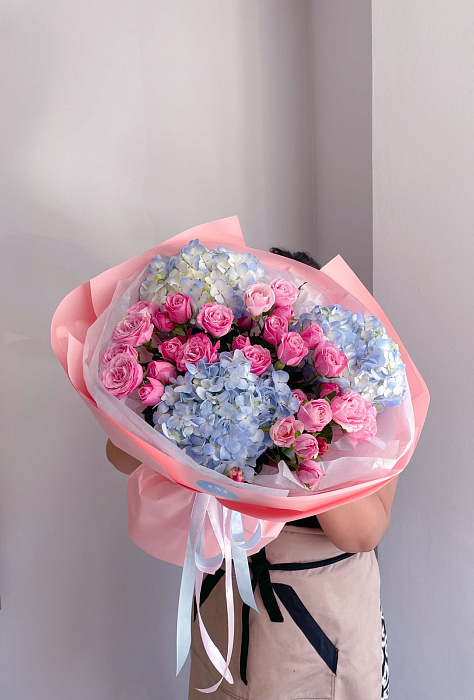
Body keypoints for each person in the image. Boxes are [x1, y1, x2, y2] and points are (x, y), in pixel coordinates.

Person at [106, 247, 395, 700]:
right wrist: (174, 406)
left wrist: (304, 433)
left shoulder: (365, 406)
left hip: (320, 613)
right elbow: (118, 453)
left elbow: (361, 535)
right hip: (227, 592)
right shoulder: (227, 380)